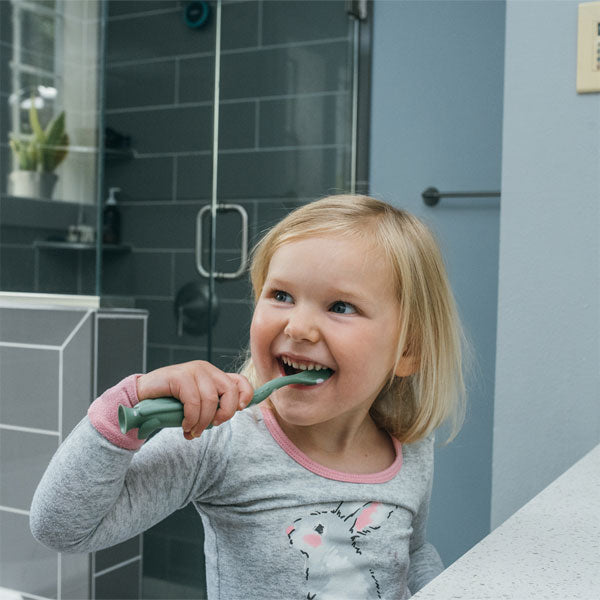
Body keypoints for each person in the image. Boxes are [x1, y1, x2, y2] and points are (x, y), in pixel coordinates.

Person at [30, 194, 468, 599]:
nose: (297, 327)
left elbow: (412, 554)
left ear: (407, 350)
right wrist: (126, 406)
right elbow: (61, 529)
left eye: (340, 306)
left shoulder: (409, 447)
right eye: (280, 295)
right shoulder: (222, 441)